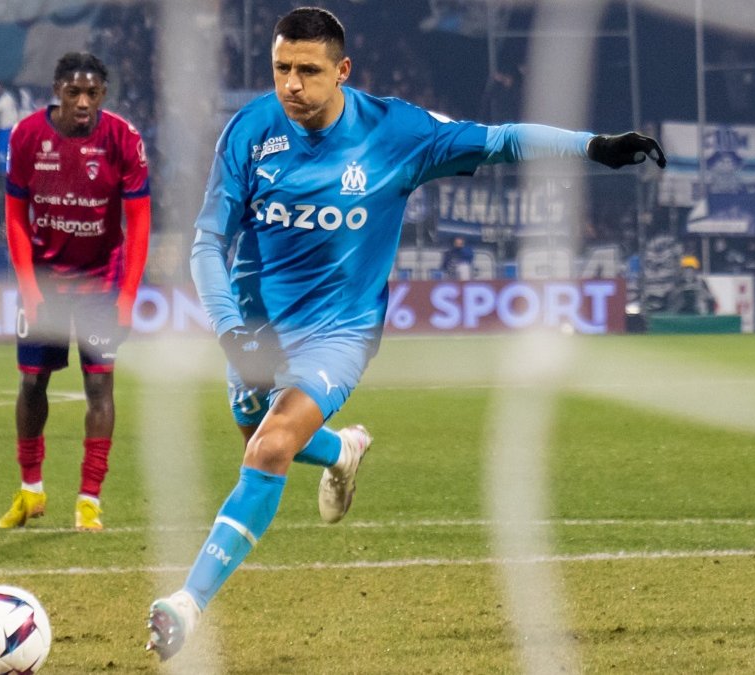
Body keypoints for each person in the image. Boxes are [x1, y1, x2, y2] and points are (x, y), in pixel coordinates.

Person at [145, 6, 666, 660]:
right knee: (254, 429)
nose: (292, 85)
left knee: (270, 446)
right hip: (253, 326)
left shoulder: (396, 131)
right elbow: (206, 242)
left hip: (340, 330)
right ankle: (341, 451)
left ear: (343, 70)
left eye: (308, 70)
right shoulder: (249, 131)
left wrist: (592, 146)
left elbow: (499, 140)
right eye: (281, 68)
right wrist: (232, 335)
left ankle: (186, 604)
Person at [0, 52, 151, 533]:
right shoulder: (26, 136)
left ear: (103, 95)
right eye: (73, 92)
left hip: (101, 281)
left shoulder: (123, 139)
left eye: (92, 93)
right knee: (32, 382)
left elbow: (139, 222)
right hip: (45, 281)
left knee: (99, 386)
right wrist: (29, 288)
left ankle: (89, 501)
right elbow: (15, 217)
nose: (83, 102)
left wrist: (126, 299)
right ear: (57, 91)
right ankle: (30, 490)